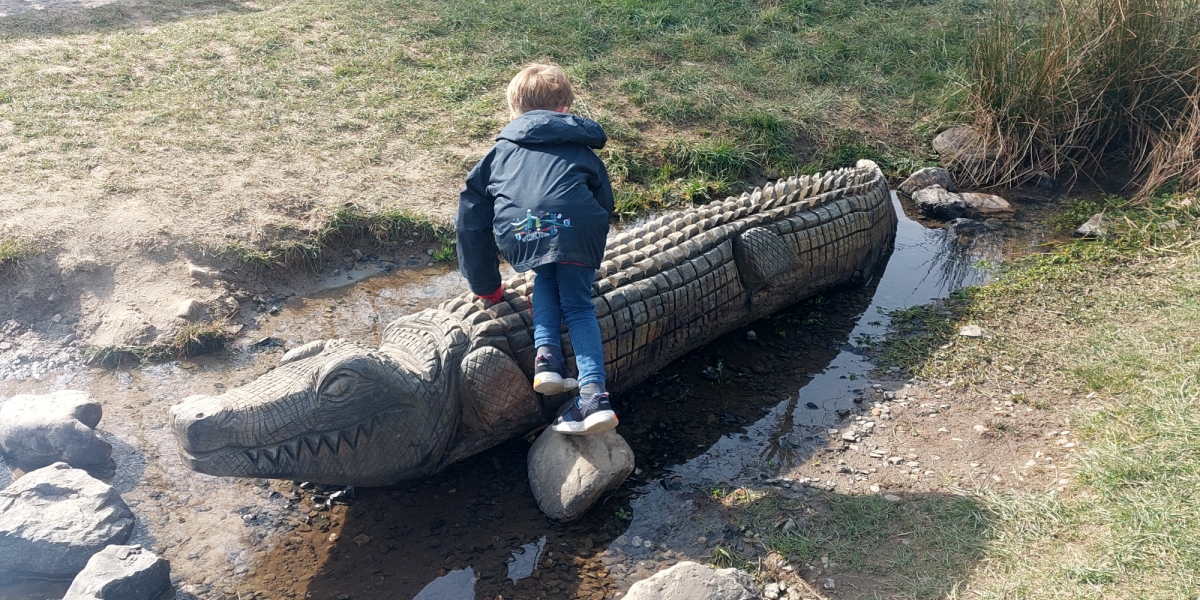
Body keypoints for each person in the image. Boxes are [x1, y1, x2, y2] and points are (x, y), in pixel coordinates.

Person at [455, 63, 617, 435]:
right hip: (577, 229)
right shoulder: (581, 149)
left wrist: (485, 286)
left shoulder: (497, 154)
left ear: (514, 111)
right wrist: (585, 242)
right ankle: (594, 395)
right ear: (564, 111)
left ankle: (547, 361)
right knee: (577, 304)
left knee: (544, 275)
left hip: (524, 229)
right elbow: (604, 199)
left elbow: (470, 221)